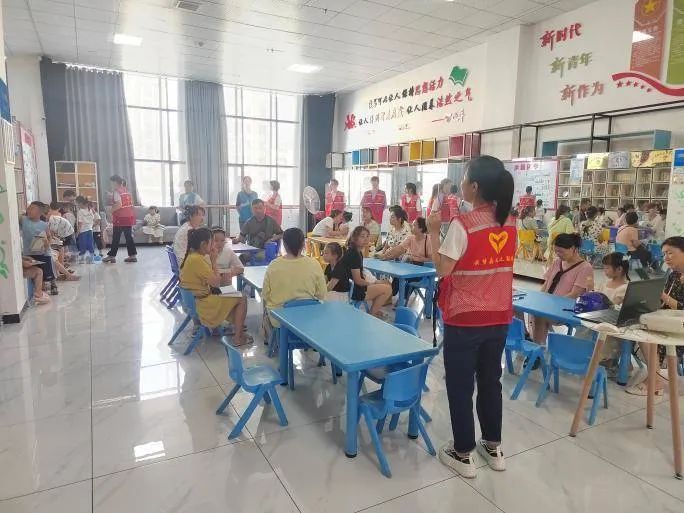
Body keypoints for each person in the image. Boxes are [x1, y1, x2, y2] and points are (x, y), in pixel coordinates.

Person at [427, 155, 515, 478]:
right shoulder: (510, 222)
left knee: (461, 385)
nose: (460, 185)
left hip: (465, 318)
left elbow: (442, 269)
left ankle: (463, 452)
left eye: (463, 180)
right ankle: (493, 447)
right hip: (499, 316)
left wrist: (433, 232)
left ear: (474, 187)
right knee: (491, 382)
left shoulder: (462, 225)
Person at [626, 236, 684, 396]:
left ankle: (655, 380)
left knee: (646, 335)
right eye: (664, 254)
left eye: (670, 253)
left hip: (679, 325)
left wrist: (661, 295)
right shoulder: (674, 275)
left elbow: (677, 305)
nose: (666, 258)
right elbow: (664, 302)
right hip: (672, 320)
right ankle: (628, 366)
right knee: (634, 322)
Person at [179, 227, 250, 346]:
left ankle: (235, 326)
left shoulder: (193, 256)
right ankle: (238, 337)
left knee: (233, 294)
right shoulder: (198, 260)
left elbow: (238, 268)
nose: (214, 245)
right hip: (203, 304)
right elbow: (216, 283)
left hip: (196, 300)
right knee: (242, 298)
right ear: (203, 244)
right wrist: (213, 261)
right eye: (212, 242)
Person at [530, 233, 594, 344]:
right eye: (556, 251)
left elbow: (575, 294)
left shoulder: (585, 268)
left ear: (573, 249)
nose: (558, 254)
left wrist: (551, 305)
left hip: (566, 309)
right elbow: (546, 284)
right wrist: (538, 300)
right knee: (525, 309)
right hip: (548, 305)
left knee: (539, 315)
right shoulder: (557, 262)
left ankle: (538, 347)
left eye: (561, 252)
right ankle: (531, 339)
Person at [262, 227, 327, 326]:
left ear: (284, 244)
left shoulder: (274, 265)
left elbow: (265, 295)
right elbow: (322, 294)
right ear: (303, 244)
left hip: (281, 320)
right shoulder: (314, 264)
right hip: (308, 317)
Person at [342, 226, 392, 318]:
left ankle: (375, 310)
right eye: (362, 236)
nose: (366, 239)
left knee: (385, 283)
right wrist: (371, 283)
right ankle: (372, 314)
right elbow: (358, 280)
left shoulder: (355, 251)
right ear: (355, 238)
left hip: (351, 287)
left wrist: (373, 282)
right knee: (387, 289)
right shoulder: (354, 254)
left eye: (367, 236)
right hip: (354, 291)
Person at [593, 252, 630, 375]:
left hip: (612, 323)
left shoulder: (625, 288)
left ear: (619, 269)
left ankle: (607, 360)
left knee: (606, 336)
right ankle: (590, 356)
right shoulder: (604, 283)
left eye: (607, 268)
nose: (604, 271)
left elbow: (617, 308)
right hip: (598, 317)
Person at [379, 217, 433, 298]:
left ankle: (401, 300)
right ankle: (390, 295)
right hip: (410, 267)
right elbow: (399, 248)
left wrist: (414, 258)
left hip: (424, 271)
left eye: (414, 225)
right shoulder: (411, 238)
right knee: (398, 274)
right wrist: (385, 256)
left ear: (421, 228)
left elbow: (432, 260)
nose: (411, 226)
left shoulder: (428, 240)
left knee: (407, 278)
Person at [20, 201, 58, 295]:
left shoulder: (44, 224)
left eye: (32, 208)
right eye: (29, 207)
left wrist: (47, 243)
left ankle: (53, 284)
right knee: (38, 272)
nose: (29, 209)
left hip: (42, 252)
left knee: (48, 265)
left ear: (40, 212)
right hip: (28, 254)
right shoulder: (23, 220)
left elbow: (49, 237)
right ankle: (41, 289)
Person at [233, 199, 283, 264]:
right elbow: (241, 236)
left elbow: (281, 234)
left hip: (266, 250)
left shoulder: (271, 221)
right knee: (240, 258)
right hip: (251, 250)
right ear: (252, 210)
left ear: (264, 208)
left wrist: (271, 239)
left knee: (259, 257)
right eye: (255, 208)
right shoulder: (249, 222)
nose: (258, 210)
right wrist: (236, 240)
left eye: (260, 208)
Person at [103, 175, 137, 264]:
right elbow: (130, 204)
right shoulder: (126, 191)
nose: (111, 185)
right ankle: (132, 256)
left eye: (111, 183)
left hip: (120, 218)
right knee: (128, 237)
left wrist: (111, 211)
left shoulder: (117, 191)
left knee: (116, 237)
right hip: (128, 217)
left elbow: (119, 204)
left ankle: (111, 256)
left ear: (115, 182)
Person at [75, 195, 95, 263]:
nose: (77, 205)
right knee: (90, 244)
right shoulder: (90, 209)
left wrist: (77, 232)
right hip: (90, 230)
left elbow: (80, 223)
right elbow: (93, 219)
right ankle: (92, 259)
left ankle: (82, 259)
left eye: (77, 204)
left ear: (80, 203)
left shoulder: (80, 211)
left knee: (82, 244)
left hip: (83, 231)